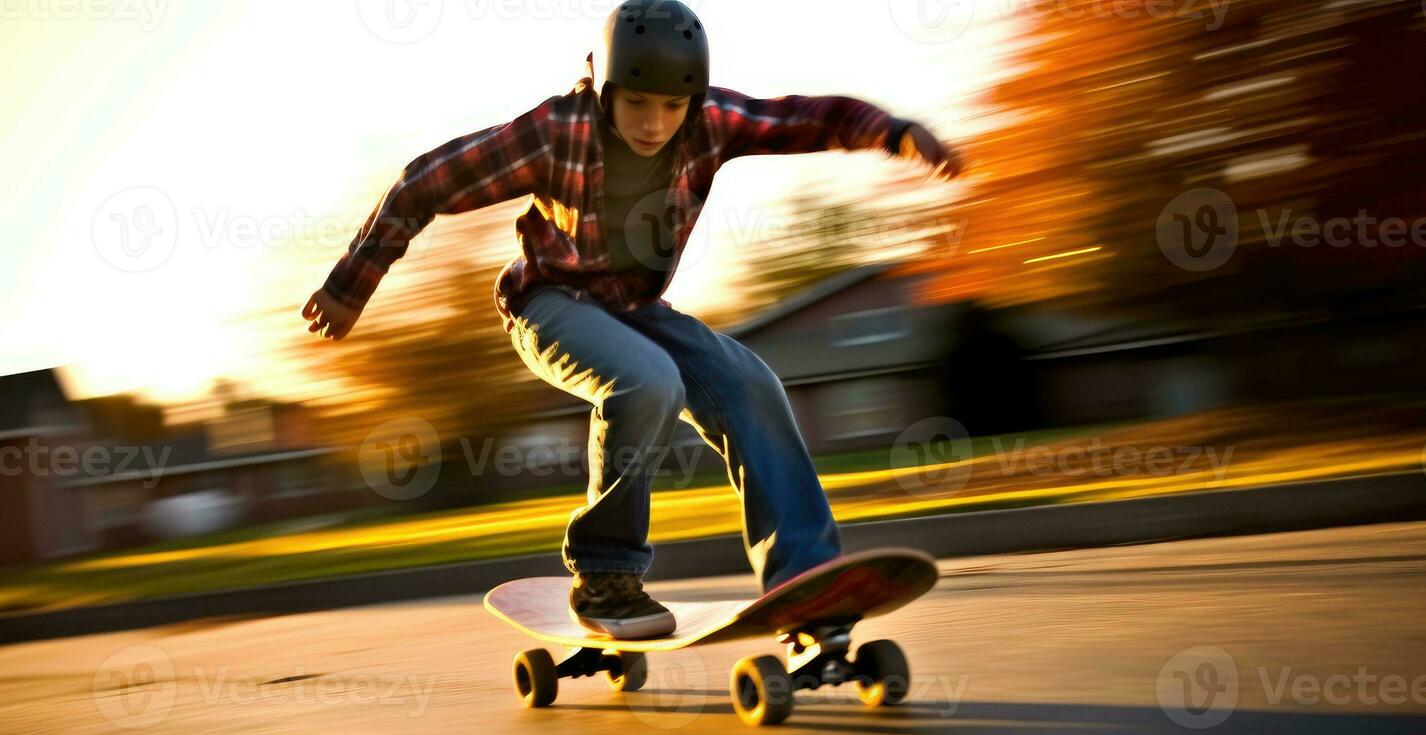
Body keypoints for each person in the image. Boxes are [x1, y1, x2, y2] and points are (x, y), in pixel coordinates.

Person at [301, 1, 964, 640]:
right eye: (637, 103)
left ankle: (805, 577)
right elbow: (426, 182)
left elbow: (805, 118)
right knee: (648, 382)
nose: (655, 123)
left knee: (751, 385)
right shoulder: (556, 131)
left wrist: (892, 131)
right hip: (548, 304)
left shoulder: (712, 121)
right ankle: (606, 576)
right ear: (605, 88)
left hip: (637, 310)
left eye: (672, 107)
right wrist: (349, 284)